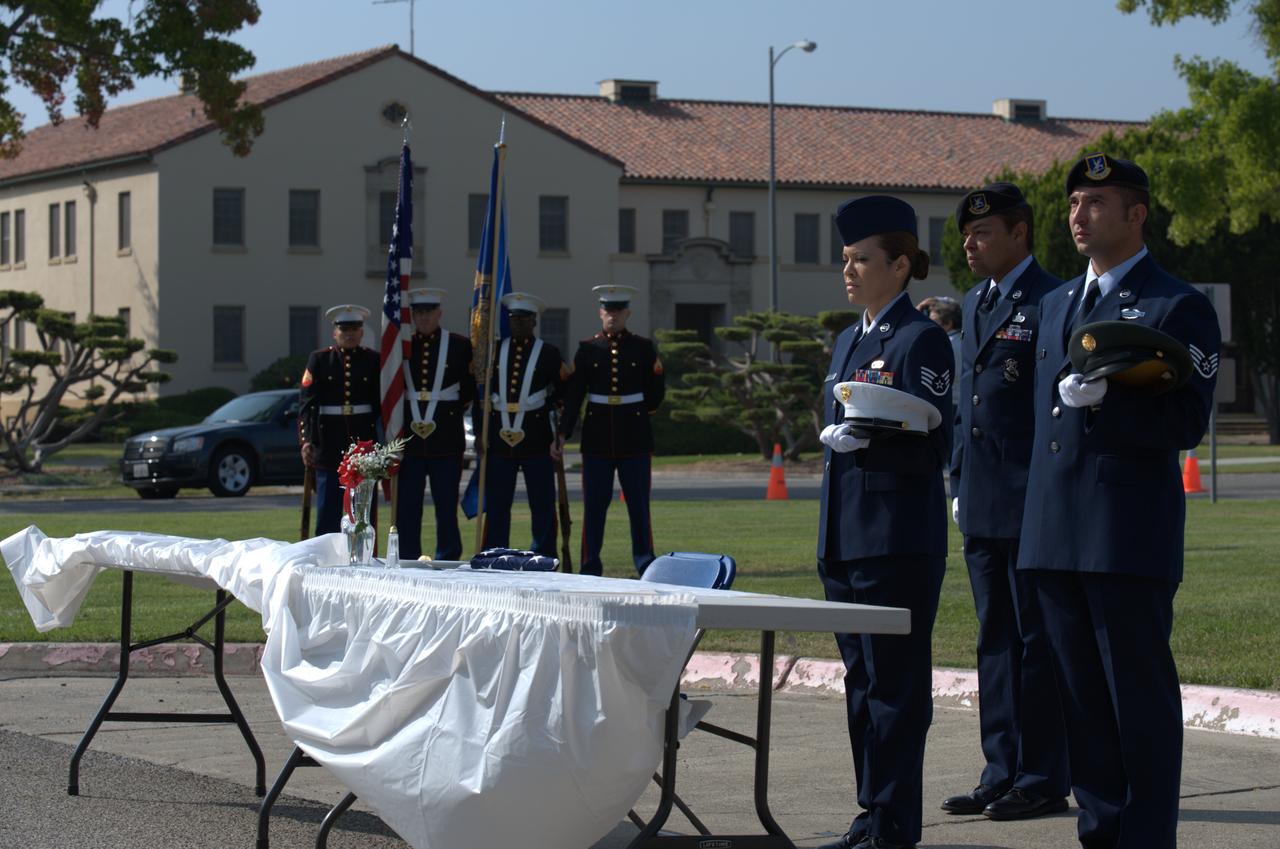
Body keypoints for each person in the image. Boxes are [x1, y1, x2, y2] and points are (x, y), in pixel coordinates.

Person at [1018, 154, 1220, 849]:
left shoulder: (1176, 304)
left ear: (1136, 214)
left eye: (1097, 202)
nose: (1079, 215)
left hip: (1125, 533)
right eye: (1074, 203)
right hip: (1053, 534)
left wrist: (1112, 407)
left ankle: (1145, 838)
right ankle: (1101, 834)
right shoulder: (1052, 308)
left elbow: (1187, 420)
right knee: (1081, 708)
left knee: (1136, 704)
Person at [816, 196, 955, 849]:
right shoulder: (849, 338)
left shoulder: (921, 338)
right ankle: (871, 809)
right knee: (861, 683)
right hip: (845, 537)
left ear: (899, 266)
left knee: (896, 685)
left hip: (897, 539)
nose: (848, 270)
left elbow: (932, 438)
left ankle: (895, 821)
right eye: (845, 259)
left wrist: (868, 437)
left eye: (861, 259)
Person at [942, 182, 1070, 821]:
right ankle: (1000, 769)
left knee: (1034, 638)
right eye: (967, 234)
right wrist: (958, 479)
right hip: (983, 495)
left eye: (983, 232)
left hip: (1032, 496)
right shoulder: (973, 302)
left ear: (1019, 233)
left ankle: (1042, 775)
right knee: (993, 639)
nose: (970, 243)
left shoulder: (1053, 298)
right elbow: (968, 402)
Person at [557, 284, 665, 576]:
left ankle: (645, 563)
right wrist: (563, 432)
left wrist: (641, 413)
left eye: (618, 311)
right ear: (600, 312)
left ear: (627, 313)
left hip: (635, 436)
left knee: (639, 507)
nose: (612, 316)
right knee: (594, 507)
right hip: (597, 438)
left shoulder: (642, 348)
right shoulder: (588, 348)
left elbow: (655, 392)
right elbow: (575, 395)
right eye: (608, 310)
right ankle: (590, 565)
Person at [476, 291, 567, 557]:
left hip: (536, 438)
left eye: (524, 319)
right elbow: (480, 394)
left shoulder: (549, 353)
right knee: (498, 504)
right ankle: (496, 553)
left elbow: (564, 393)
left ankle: (543, 553)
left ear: (534, 322)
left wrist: (558, 431)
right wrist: (481, 432)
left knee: (541, 503)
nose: (518, 324)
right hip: (499, 440)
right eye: (514, 319)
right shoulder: (493, 353)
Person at [396, 287, 476, 560]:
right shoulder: (402, 345)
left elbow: (468, 390)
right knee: (408, 506)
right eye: (418, 313)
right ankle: (407, 556)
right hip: (410, 441)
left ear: (439, 313)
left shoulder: (459, 345)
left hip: (445, 437)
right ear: (413, 316)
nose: (424, 318)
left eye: (429, 312)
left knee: (445, 504)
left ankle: (448, 556)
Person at [298, 304, 381, 535]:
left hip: (363, 446)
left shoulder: (373, 360)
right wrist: (306, 441)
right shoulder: (320, 360)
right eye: (343, 329)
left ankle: (365, 558)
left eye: (354, 328)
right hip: (328, 445)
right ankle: (325, 562)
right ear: (334, 332)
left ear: (362, 332)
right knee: (327, 510)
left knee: (364, 511)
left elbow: (381, 405)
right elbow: (306, 405)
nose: (349, 334)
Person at [926, 296, 963, 408]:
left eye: (934, 321)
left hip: (947, 403)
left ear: (948, 323)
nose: (928, 325)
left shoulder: (943, 344)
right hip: (960, 401)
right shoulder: (964, 340)